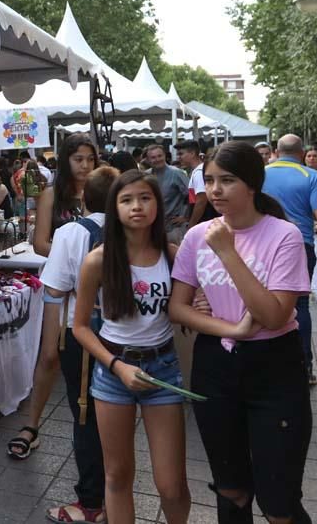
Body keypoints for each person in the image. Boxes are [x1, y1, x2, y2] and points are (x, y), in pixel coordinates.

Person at [168, 140, 312, 524]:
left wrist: (228, 253)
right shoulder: (198, 237)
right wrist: (232, 327)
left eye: (227, 180)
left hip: (276, 367)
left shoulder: (284, 235)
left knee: (278, 502)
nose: (215, 190)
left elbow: (276, 315)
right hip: (215, 365)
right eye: (210, 180)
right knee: (231, 490)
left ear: (252, 185)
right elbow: (177, 307)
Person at [71, 170, 190, 524]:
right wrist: (117, 367)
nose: (136, 206)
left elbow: (191, 305)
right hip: (113, 373)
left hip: (162, 371)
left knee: (171, 485)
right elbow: (79, 327)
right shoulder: (99, 260)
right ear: (115, 207)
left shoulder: (174, 255)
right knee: (118, 475)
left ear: (157, 204)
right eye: (126, 200)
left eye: (145, 198)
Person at [7, 136, 96, 460]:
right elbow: (40, 243)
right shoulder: (51, 196)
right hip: (60, 287)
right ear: (65, 161)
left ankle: (91, 430)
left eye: (90, 159)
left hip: (96, 290)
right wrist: (72, 258)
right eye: (78, 159)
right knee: (49, 355)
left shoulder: (101, 194)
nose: (85, 166)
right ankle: (32, 425)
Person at [41, 167, 120, 523]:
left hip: (83, 334)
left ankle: (91, 502)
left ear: (84, 198)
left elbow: (56, 288)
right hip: (125, 337)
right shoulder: (132, 231)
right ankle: (115, 495)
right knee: (115, 417)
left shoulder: (71, 232)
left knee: (85, 417)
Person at [263, 134, 317, 386]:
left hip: (262, 246)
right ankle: (304, 368)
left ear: (276, 151)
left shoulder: (261, 173)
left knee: (261, 303)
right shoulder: (311, 176)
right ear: (302, 153)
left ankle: (267, 366)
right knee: (300, 307)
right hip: (300, 245)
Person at [147, 144, 189, 243]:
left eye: (159, 156)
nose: (157, 159)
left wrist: (185, 216)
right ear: (148, 160)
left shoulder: (177, 173)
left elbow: (191, 195)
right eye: (153, 157)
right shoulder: (146, 175)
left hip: (173, 227)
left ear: (164, 156)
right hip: (153, 227)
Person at [175, 140, 217, 230]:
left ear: (192, 153)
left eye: (181, 154)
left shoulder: (199, 172)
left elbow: (201, 201)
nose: (178, 158)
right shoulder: (196, 171)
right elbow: (194, 201)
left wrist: (192, 225)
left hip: (204, 223)